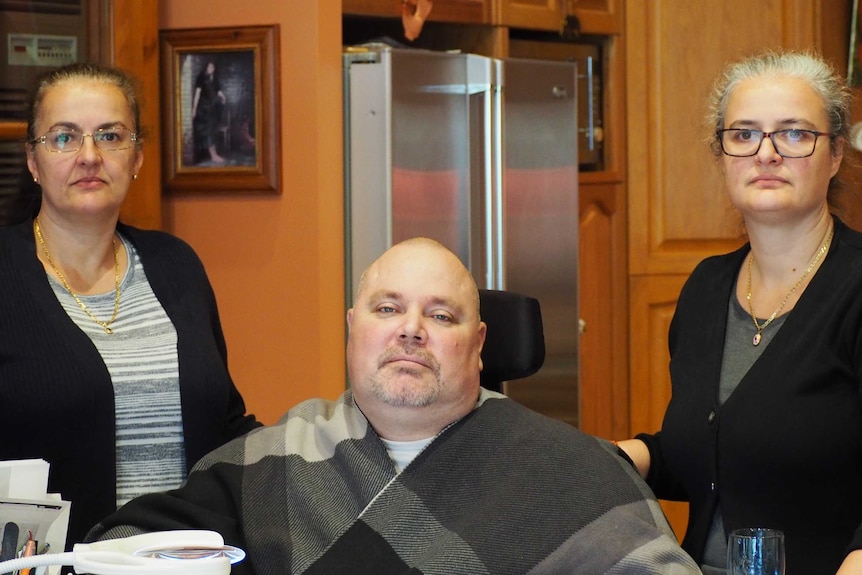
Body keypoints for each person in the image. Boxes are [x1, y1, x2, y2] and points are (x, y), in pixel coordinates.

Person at [88, 237, 701, 574]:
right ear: (354, 329)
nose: (411, 330)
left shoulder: (572, 469)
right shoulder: (271, 460)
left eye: (441, 315)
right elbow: (119, 550)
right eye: (388, 309)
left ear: (479, 344)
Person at [616, 49, 862, 574]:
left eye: (794, 134)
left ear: (836, 153)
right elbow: (710, 454)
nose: (765, 154)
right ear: (723, 154)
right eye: (744, 134)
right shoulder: (707, 287)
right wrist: (611, 458)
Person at [1, 62, 260, 550]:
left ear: (137, 156)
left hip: (188, 561)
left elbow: (225, 424)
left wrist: (325, 449)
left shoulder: (176, 264)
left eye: (110, 135)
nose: (89, 156)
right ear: (33, 162)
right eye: (64, 138)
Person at [191, 60, 227, 164]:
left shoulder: (214, 79)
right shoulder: (201, 78)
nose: (211, 69)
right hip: (203, 109)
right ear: (206, 68)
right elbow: (197, 94)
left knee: (212, 130)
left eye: (213, 67)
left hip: (211, 108)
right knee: (208, 132)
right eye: (209, 67)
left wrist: (223, 96)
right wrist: (194, 109)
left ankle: (214, 155)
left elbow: (218, 90)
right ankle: (213, 155)